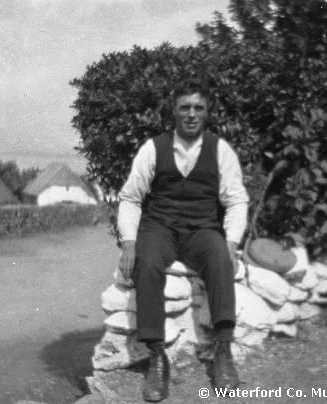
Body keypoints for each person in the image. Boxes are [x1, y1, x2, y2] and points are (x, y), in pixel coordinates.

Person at [117, 79, 249, 402]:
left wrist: (231, 242)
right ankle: (156, 357)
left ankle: (223, 350)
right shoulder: (153, 148)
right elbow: (131, 198)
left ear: (207, 112)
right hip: (160, 226)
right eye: (185, 108)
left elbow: (236, 200)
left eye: (198, 108)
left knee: (220, 257)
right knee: (146, 264)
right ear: (174, 111)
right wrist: (130, 242)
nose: (192, 114)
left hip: (202, 227)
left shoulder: (221, 150)